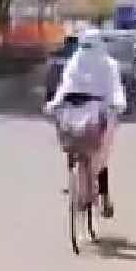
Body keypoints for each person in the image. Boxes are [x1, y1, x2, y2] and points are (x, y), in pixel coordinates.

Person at [45, 27, 125, 218]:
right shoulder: (75, 63)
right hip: (74, 112)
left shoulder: (108, 65)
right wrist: (55, 104)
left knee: (100, 155)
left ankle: (103, 196)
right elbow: (65, 87)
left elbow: (114, 89)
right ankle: (76, 185)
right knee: (70, 140)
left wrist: (116, 104)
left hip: (99, 114)